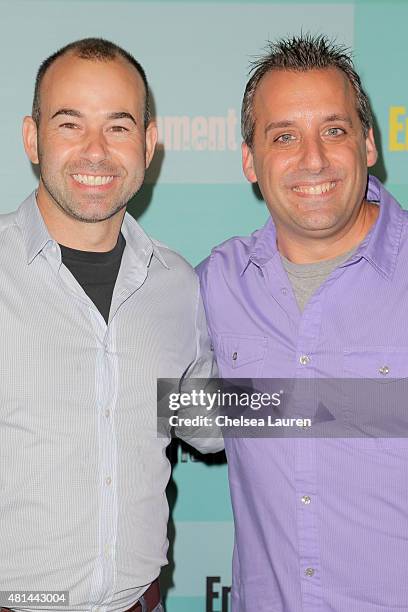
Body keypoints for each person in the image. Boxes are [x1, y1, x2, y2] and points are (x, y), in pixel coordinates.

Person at [0, 38, 222, 612]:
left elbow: (209, 421)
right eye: (70, 124)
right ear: (33, 137)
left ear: (148, 145)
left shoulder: (176, 284)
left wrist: (348, 399)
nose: (95, 151)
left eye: (119, 127)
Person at [197, 33, 408, 611]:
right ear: (250, 161)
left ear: (368, 143)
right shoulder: (215, 284)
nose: (312, 159)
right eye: (283, 136)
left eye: (333, 130)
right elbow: (179, 412)